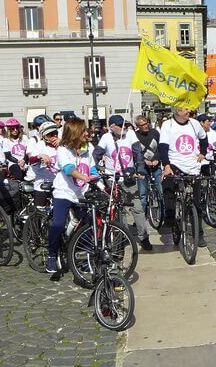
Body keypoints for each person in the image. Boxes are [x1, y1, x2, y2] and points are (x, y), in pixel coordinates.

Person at [46, 118, 98, 276]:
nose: (86, 133)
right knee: (58, 224)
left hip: (81, 193)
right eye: (83, 130)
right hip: (64, 192)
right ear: (75, 133)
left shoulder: (87, 148)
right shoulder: (63, 150)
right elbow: (69, 169)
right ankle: (52, 254)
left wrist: (100, 183)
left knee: (88, 226)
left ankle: (84, 259)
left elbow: (93, 169)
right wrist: (84, 177)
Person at [96, 115, 152, 251]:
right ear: (112, 127)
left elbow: (137, 153)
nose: (124, 128)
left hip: (130, 177)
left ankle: (144, 237)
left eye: (125, 125)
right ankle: (124, 237)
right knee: (119, 212)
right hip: (113, 179)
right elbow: (96, 154)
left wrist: (139, 169)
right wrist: (100, 169)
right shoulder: (106, 138)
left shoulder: (131, 134)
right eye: (120, 126)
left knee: (137, 208)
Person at [159, 107, 208, 247]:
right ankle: (171, 217)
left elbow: (204, 139)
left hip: (193, 167)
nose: (188, 112)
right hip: (175, 165)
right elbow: (163, 147)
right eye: (185, 109)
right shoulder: (168, 125)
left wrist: (203, 153)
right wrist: (166, 165)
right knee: (168, 188)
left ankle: (199, 234)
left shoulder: (194, 123)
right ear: (177, 112)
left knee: (197, 204)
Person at [134, 115, 163, 219]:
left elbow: (161, 147)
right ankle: (142, 216)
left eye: (146, 123)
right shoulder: (135, 136)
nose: (146, 126)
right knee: (142, 193)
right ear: (138, 126)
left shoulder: (155, 133)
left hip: (156, 164)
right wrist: (143, 161)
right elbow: (135, 152)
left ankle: (163, 213)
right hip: (143, 166)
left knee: (160, 189)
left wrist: (158, 159)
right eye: (142, 125)